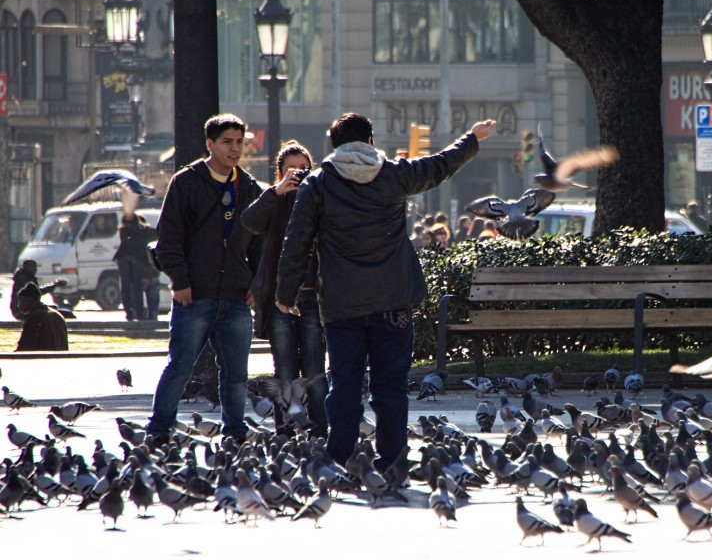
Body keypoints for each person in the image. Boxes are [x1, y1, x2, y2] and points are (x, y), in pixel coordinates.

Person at [276, 112, 496, 471]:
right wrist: (472, 137)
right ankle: (392, 459)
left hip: (342, 303)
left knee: (344, 385)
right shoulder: (393, 175)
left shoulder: (318, 183)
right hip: (393, 299)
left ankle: (339, 456)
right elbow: (440, 165)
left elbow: (296, 241)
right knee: (390, 386)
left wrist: (285, 294)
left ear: (334, 147)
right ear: (371, 142)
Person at [145, 113, 263, 446]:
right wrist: (180, 281)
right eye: (227, 142)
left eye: (240, 142)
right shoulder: (186, 182)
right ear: (209, 145)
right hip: (193, 295)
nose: (235, 149)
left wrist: (256, 283)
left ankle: (235, 432)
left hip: (236, 298)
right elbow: (169, 238)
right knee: (180, 367)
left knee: (237, 376)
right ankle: (158, 430)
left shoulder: (249, 186)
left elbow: (260, 243)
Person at [241, 140, 328, 437]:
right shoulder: (274, 199)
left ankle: (319, 428)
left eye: (304, 169)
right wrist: (277, 193)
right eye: (291, 170)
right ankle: (286, 428)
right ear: (279, 173)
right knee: (286, 370)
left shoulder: (320, 197)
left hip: (312, 297)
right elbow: (249, 222)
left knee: (315, 369)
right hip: (280, 298)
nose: (298, 174)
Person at [114, 214, 158, 321]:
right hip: (138, 258)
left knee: (126, 286)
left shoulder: (123, 231)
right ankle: (139, 314)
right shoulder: (146, 231)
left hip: (124, 256)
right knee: (136, 286)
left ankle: (130, 313)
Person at [15, 283, 68, 351]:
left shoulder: (35, 317)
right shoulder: (57, 314)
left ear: (31, 301)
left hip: (42, 359)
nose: (19, 305)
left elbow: (25, 346)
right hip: (60, 358)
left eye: (21, 301)